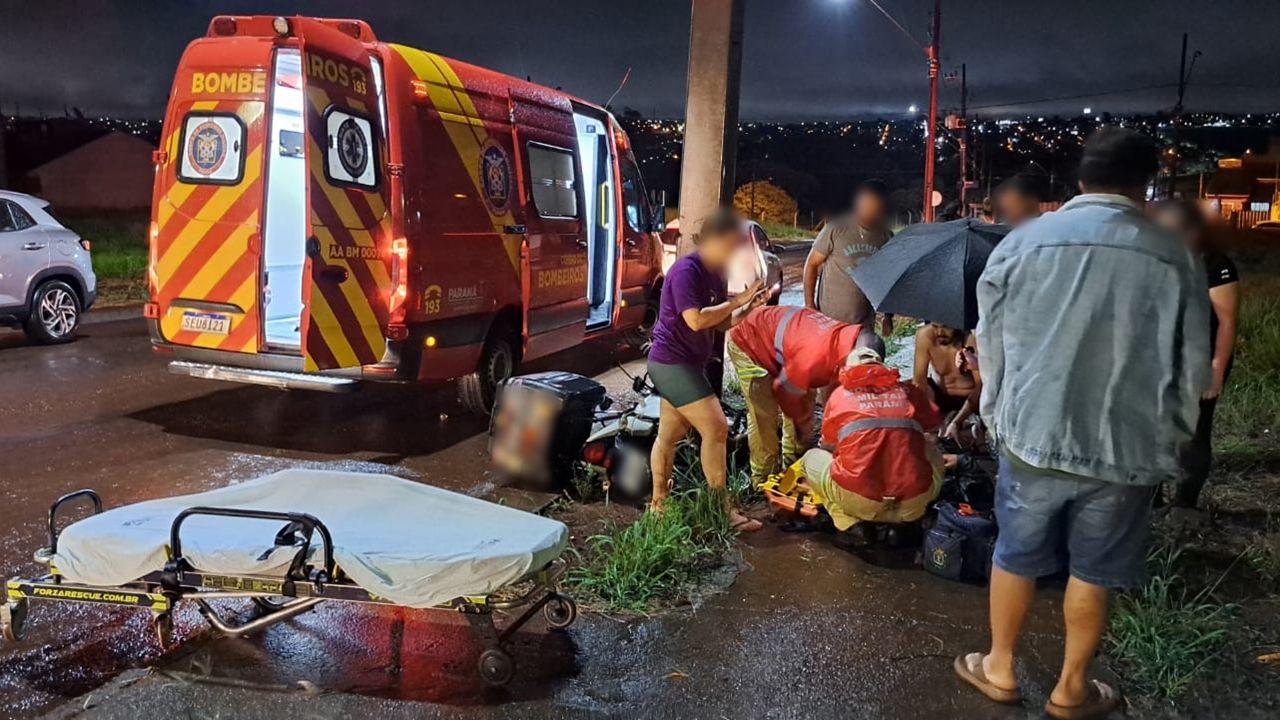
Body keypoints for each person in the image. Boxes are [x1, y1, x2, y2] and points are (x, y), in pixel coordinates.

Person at [956, 128, 1209, 719]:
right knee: (1094, 570)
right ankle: (1071, 689)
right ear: (1145, 184)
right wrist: (1172, 437)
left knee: (1015, 554)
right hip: (1126, 443)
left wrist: (996, 414)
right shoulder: (1172, 256)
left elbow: (991, 343)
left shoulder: (1022, 245)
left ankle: (999, 667)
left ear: (1079, 181)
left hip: (1032, 433)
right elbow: (1191, 361)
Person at [648, 208, 768, 532]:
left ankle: (658, 505)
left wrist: (746, 307)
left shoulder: (716, 271)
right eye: (729, 246)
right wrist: (735, 299)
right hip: (671, 364)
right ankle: (723, 510)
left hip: (686, 364)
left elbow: (721, 322)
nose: (732, 254)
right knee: (716, 428)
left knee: (669, 435)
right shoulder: (687, 271)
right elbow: (696, 319)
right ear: (712, 240)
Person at [798, 332, 944, 533]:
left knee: (810, 458)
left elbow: (828, 446)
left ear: (849, 368)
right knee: (930, 450)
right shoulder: (910, 393)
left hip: (861, 500)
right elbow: (933, 434)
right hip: (913, 502)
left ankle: (847, 521)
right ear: (882, 365)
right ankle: (909, 518)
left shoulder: (839, 396)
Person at [1154, 199, 1240, 510]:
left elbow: (1227, 322)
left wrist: (1216, 370)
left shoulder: (1216, 265)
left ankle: (1184, 506)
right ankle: (1151, 500)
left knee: (1193, 433)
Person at [726, 306, 863, 486]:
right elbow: (787, 395)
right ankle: (763, 478)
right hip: (749, 341)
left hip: (783, 345)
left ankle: (793, 461)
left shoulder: (845, 339)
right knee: (764, 415)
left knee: (804, 398)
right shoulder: (817, 356)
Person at [804, 179, 893, 334]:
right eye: (865, 203)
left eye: (874, 204)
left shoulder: (886, 237)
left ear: (882, 207)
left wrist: (888, 316)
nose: (869, 208)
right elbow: (811, 265)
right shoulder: (836, 228)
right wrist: (809, 307)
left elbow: (888, 278)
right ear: (858, 202)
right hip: (828, 322)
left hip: (863, 326)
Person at [913, 322, 979, 420]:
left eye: (946, 327)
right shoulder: (925, 336)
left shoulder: (970, 339)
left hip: (970, 399)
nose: (939, 332)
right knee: (908, 389)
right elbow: (919, 382)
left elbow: (981, 386)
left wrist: (958, 420)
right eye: (935, 326)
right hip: (941, 394)